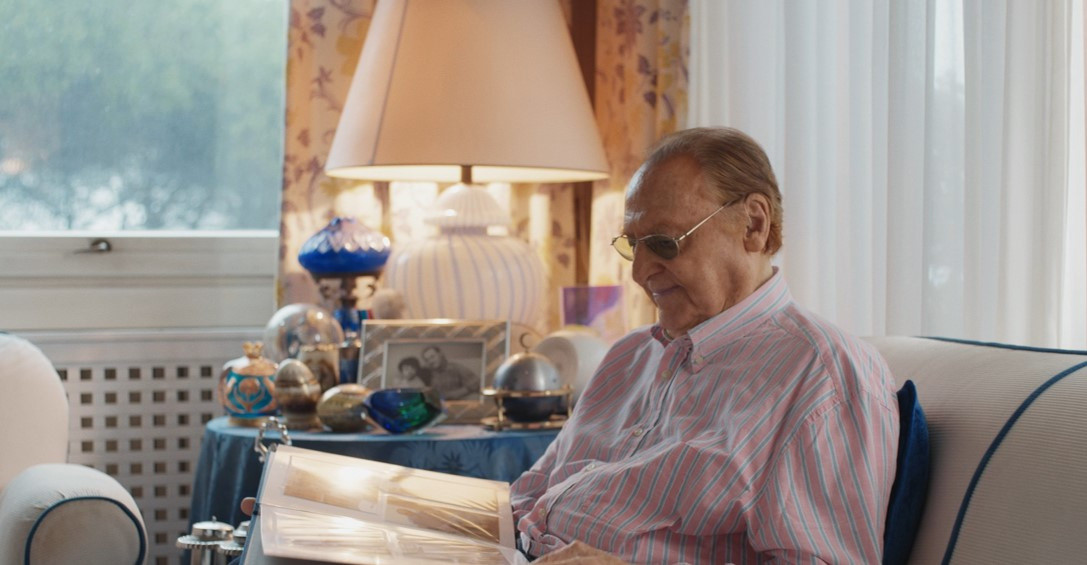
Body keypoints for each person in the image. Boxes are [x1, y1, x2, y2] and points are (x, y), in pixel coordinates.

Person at [510, 127, 900, 564]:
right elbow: (529, 493)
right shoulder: (629, 356)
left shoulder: (822, 375)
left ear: (754, 224)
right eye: (633, 244)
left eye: (663, 243)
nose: (640, 271)